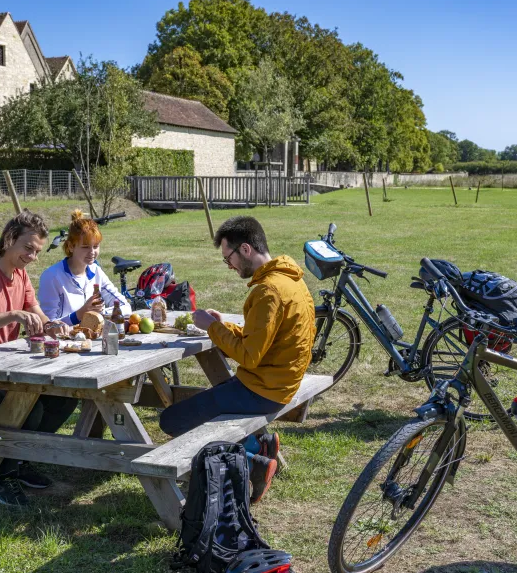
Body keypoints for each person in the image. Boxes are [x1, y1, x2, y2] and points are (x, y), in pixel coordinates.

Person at [159, 216, 315, 503]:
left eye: (227, 257)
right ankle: (259, 445)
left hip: (264, 390)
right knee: (207, 403)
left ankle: (254, 462)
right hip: (279, 382)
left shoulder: (268, 291)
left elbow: (249, 356)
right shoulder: (289, 279)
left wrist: (212, 328)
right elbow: (264, 338)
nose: (229, 265)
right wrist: (225, 327)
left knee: (171, 421)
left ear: (245, 250)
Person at [0, 209, 77, 507]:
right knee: (28, 406)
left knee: (65, 398)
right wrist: (12, 315)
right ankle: (0, 476)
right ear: (9, 239)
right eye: (28, 249)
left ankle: (20, 460)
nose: (32, 257)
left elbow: (37, 314)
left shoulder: (21, 275)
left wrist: (53, 325)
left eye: (37, 252)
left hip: (11, 370)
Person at [38, 209, 132, 325]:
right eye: (85, 247)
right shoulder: (51, 277)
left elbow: (125, 306)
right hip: (64, 341)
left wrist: (100, 314)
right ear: (71, 246)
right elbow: (49, 325)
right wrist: (79, 315)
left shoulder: (95, 271)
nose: (92, 252)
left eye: (96, 246)